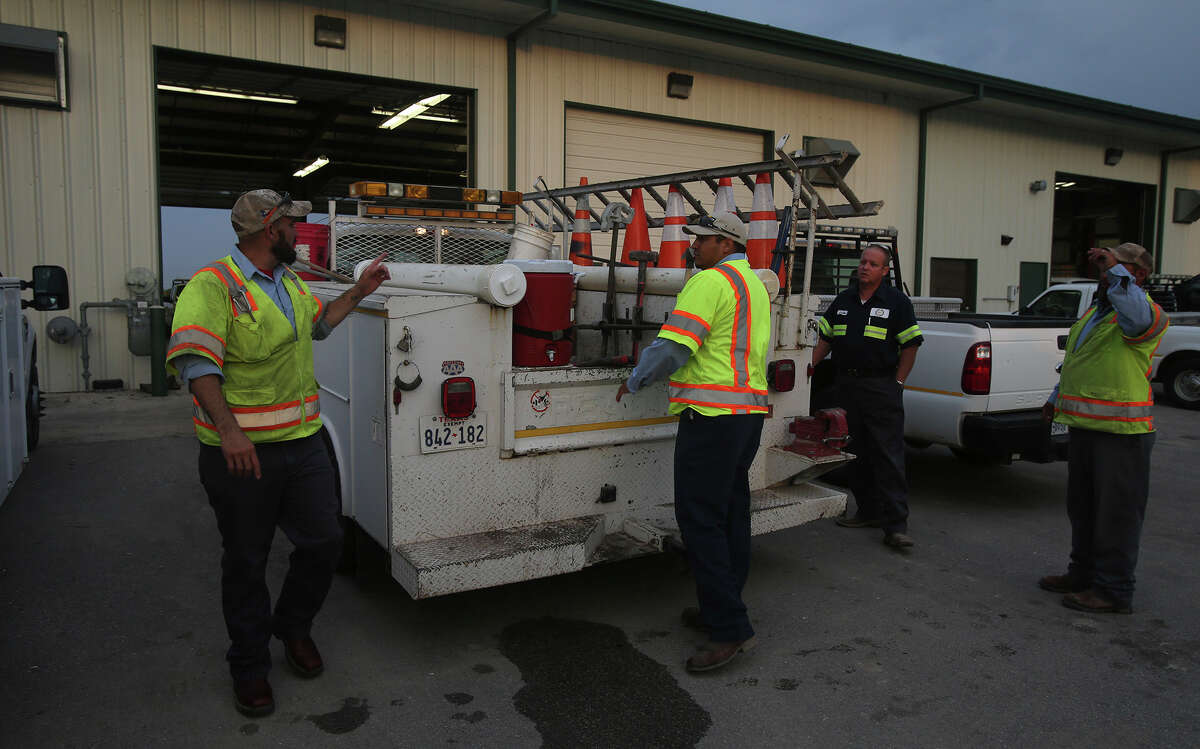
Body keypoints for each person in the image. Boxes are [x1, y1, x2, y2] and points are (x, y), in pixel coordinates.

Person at [166, 190, 390, 717]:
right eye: (295, 223)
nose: (301, 231)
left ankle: (292, 628)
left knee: (324, 542)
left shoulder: (288, 281)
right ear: (272, 229)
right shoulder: (212, 285)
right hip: (241, 455)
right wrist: (230, 432)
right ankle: (248, 665)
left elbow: (320, 323)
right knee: (246, 560)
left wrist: (358, 291)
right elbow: (196, 363)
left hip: (302, 444)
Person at [615, 211, 771, 673]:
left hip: (711, 417)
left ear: (725, 244)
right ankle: (719, 607)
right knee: (729, 516)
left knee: (699, 520)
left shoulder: (709, 282)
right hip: (746, 416)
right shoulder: (754, 285)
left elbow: (675, 347)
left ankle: (730, 630)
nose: (692, 247)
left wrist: (636, 378)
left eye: (701, 240)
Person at [1039, 243, 1168, 614]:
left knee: (1116, 515)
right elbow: (1078, 362)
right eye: (1101, 266)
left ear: (1137, 275)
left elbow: (1136, 316)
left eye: (1112, 266)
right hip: (1087, 427)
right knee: (1083, 508)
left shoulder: (1143, 314)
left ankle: (1113, 589)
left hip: (1123, 434)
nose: (1103, 272)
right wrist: (1055, 396)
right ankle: (1082, 574)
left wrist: (1117, 274)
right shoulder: (1097, 314)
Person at [811, 244, 922, 548]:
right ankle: (867, 511)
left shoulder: (897, 302)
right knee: (854, 453)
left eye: (873, 264)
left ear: (885, 271)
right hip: (846, 386)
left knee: (887, 455)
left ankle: (896, 525)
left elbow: (910, 346)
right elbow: (825, 339)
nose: (865, 267)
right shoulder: (844, 300)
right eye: (863, 262)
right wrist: (810, 366)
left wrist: (897, 383)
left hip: (881, 388)